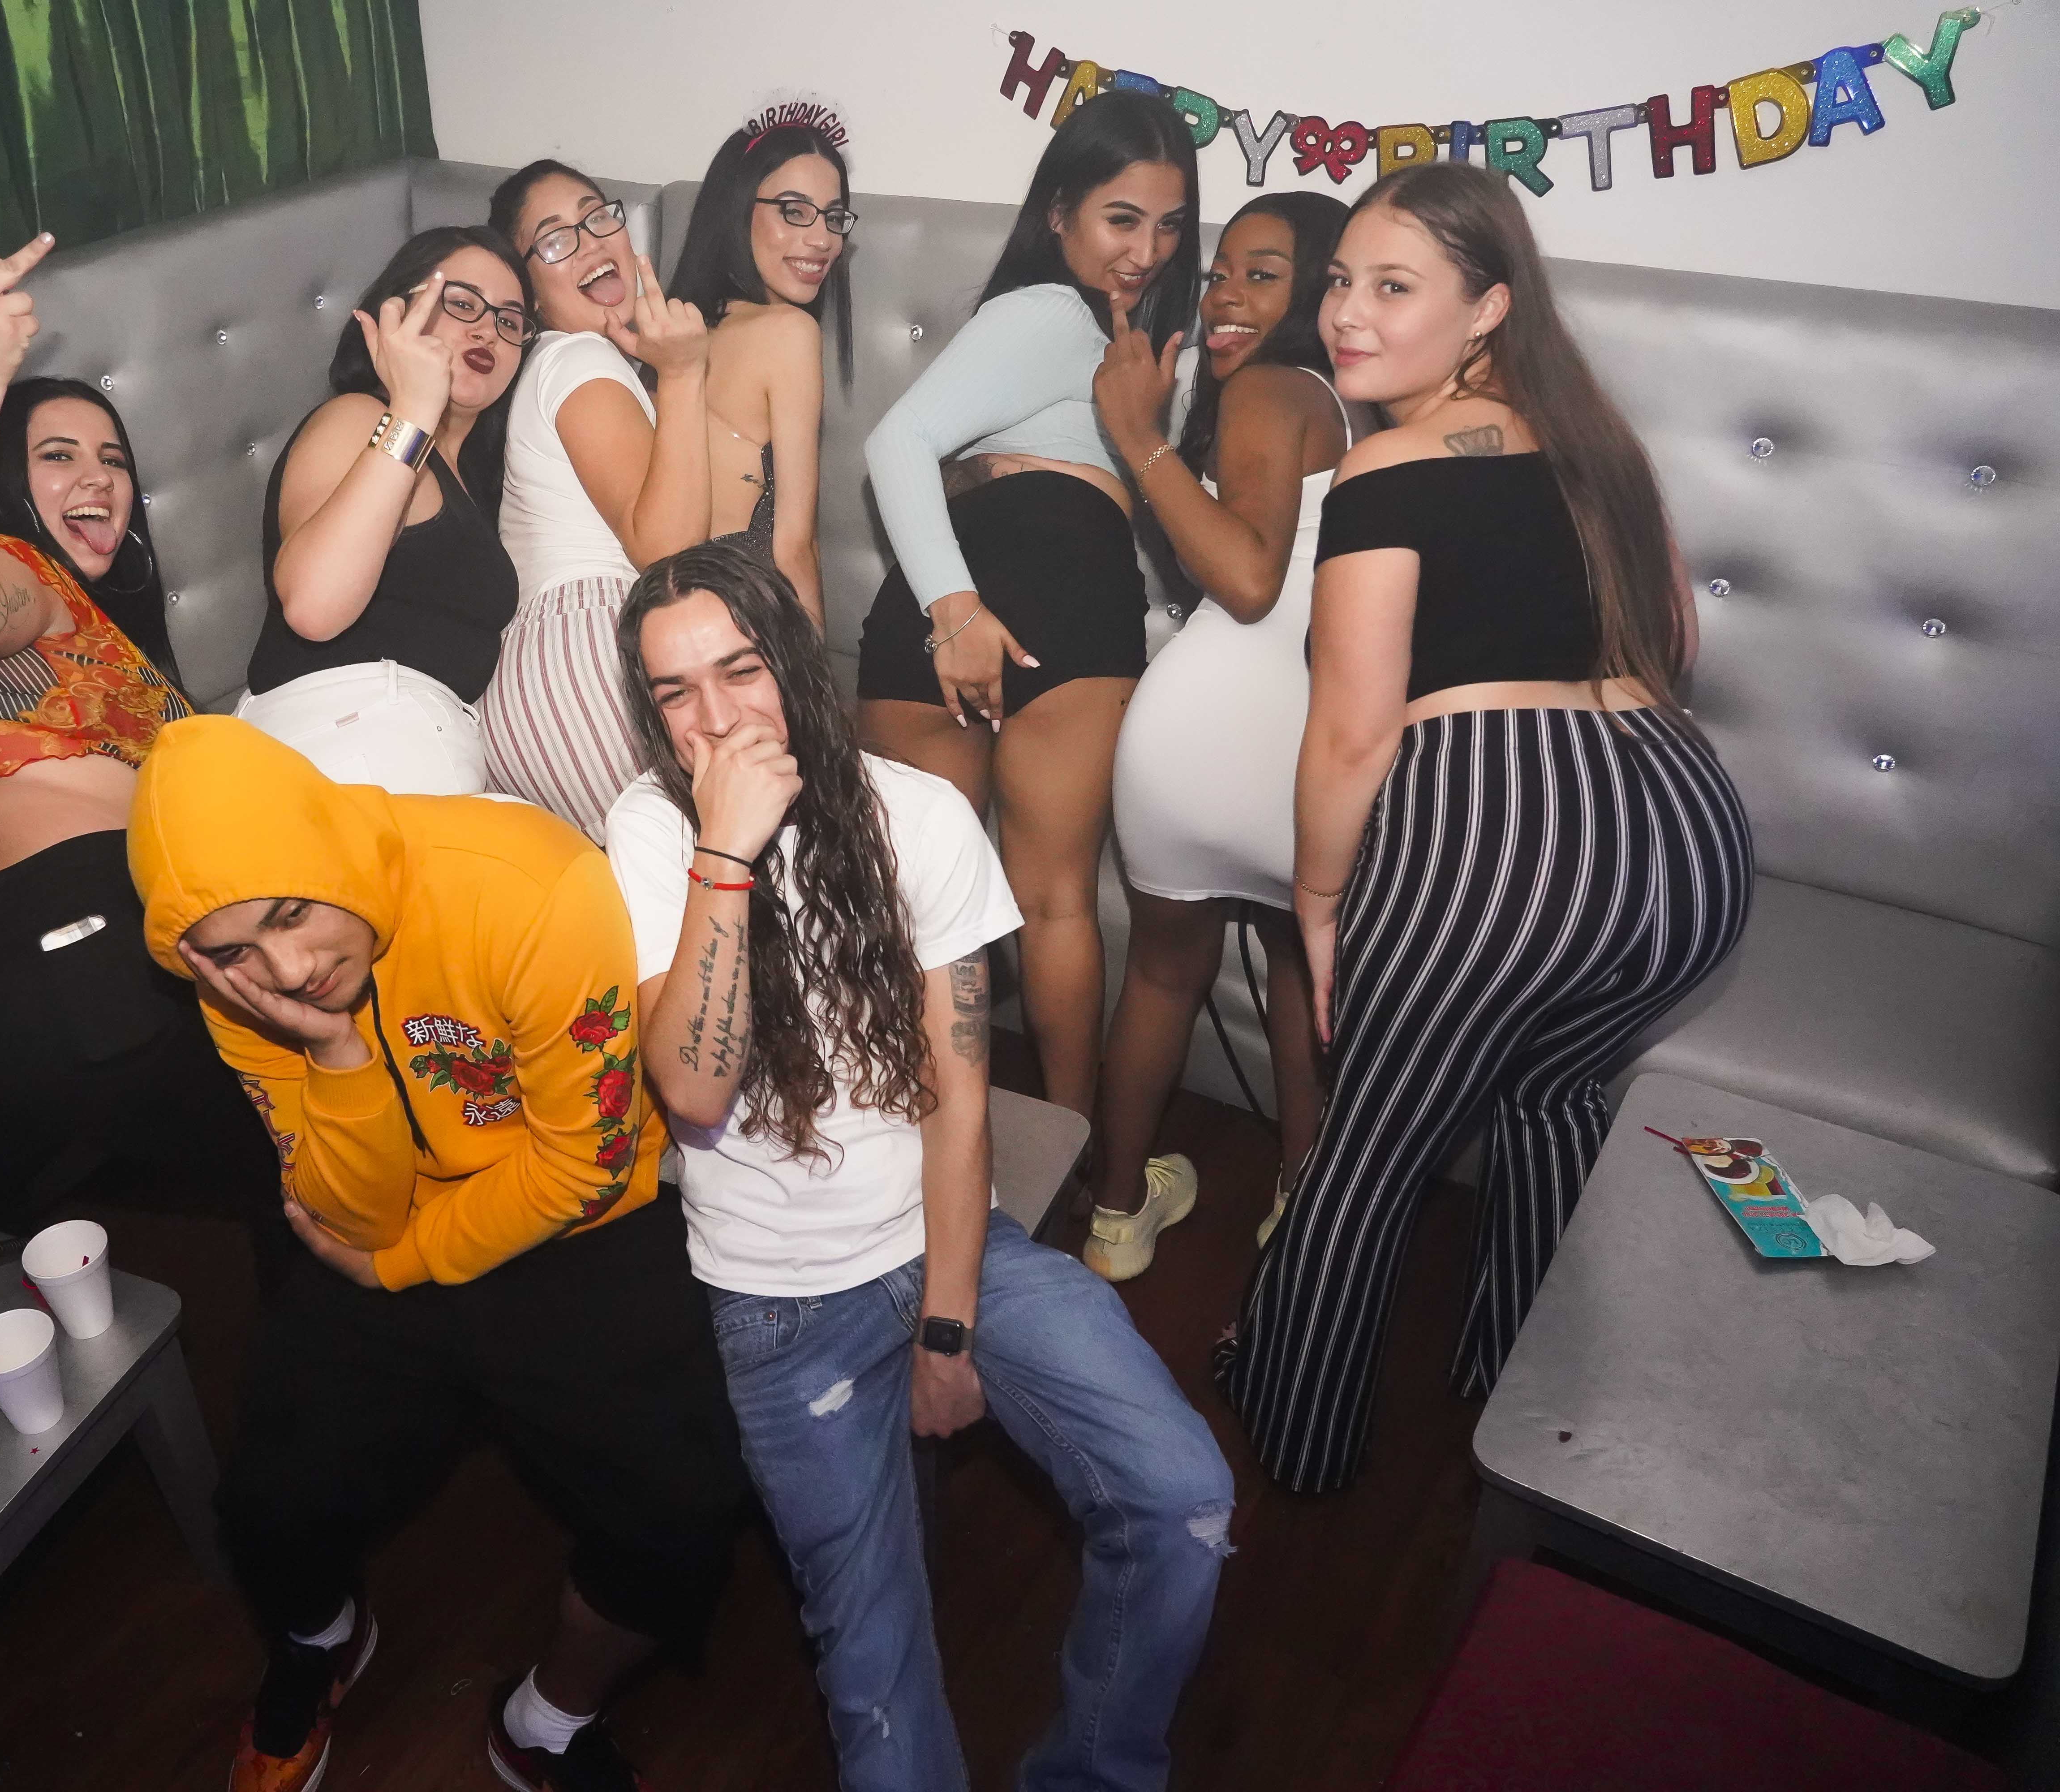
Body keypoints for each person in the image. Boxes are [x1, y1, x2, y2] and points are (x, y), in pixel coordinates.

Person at [606, 539, 1233, 1792]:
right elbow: (695, 1090)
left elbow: (959, 1100)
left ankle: (1093, 1773)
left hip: (955, 1245)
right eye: (676, 691)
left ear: (794, 661)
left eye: (740, 670)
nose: (715, 717)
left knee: (1183, 1499)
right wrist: (724, 855)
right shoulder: (646, 829)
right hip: (781, 1303)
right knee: (878, 1697)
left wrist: (946, 1329)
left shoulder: (920, 816)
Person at [1217, 164, 1753, 1495]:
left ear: (1487, 307)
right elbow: (1675, 641)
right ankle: (1519, 1393)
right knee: (1554, 1095)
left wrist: (1319, 903)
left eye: (1393, 287)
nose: (1347, 313)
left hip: (1507, 829)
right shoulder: (1598, 447)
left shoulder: (1384, 469)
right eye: (1341, 281)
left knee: (1366, 1152)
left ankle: (1294, 1438)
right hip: (1689, 833)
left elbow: (1351, 735)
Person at [127, 716, 744, 1792]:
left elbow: (588, 1164)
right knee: (267, 1499)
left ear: (333, 852)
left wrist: (407, 1265)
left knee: (681, 1508)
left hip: (573, 1222)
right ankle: (323, 1639)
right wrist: (337, 1054)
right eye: (234, 950)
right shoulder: (240, 990)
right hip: (388, 1229)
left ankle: (546, 1721)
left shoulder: (529, 886)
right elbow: (352, 1219)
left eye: (290, 912)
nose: (288, 968)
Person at [0, 233, 284, 1245]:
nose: (99, 478)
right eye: (58, 456)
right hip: (69, 966)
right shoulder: (17, 574)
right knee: (308, 1213)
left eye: (114, 461)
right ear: (6, 483)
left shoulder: (94, 640)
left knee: (144, 1294)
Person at [856, 89, 1201, 1119]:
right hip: (1041, 586)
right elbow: (895, 442)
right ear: (1058, 212)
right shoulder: (1054, 313)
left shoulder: (1124, 347)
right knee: (1053, 904)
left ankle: (913, 1144)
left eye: (1169, 225)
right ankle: (1071, 1156)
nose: (1146, 251)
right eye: (1121, 219)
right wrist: (958, 611)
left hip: (957, 587)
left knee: (919, 907)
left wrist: (953, 605)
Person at [1085, 192, 1359, 1281]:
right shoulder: (1323, 399)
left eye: (1263, 274)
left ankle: (1115, 1218)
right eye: (1220, 273)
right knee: (1300, 967)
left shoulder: (1273, 389)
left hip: (1193, 737)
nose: (1225, 296)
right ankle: (1301, 1206)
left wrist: (1138, 439)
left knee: (1159, 977)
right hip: (1286, 747)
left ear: (1321, 288)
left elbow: (1245, 579)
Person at [235, 225, 533, 794]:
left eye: (511, 322)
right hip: (345, 738)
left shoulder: (478, 484)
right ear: (397, 314)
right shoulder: (357, 418)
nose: (487, 330)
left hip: (420, 749)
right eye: (462, 303)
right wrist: (414, 409)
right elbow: (315, 605)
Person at [485, 160, 714, 839]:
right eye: (555, 239)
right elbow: (670, 554)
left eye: (597, 217)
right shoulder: (579, 360)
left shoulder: (566, 365)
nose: (589, 241)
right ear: (529, 295)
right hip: (594, 661)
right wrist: (685, 372)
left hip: (553, 678)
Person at [666, 114, 858, 625]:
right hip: (742, 621)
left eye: (834, 217)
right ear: (737, 210)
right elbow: (793, 547)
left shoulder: (678, 337)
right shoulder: (789, 334)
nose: (822, 240)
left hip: (668, 619)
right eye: (794, 212)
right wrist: (813, 667)